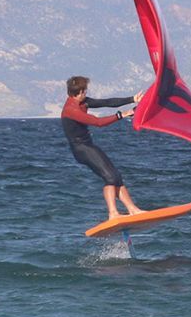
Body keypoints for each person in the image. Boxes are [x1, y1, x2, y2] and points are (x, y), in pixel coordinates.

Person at [61, 76, 145, 220]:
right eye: (85, 91)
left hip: (88, 146)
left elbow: (106, 102)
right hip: (81, 149)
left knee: (116, 177)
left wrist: (132, 99)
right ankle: (113, 213)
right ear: (80, 92)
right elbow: (98, 122)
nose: (86, 94)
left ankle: (133, 210)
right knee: (110, 177)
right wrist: (122, 115)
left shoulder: (83, 102)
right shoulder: (71, 110)